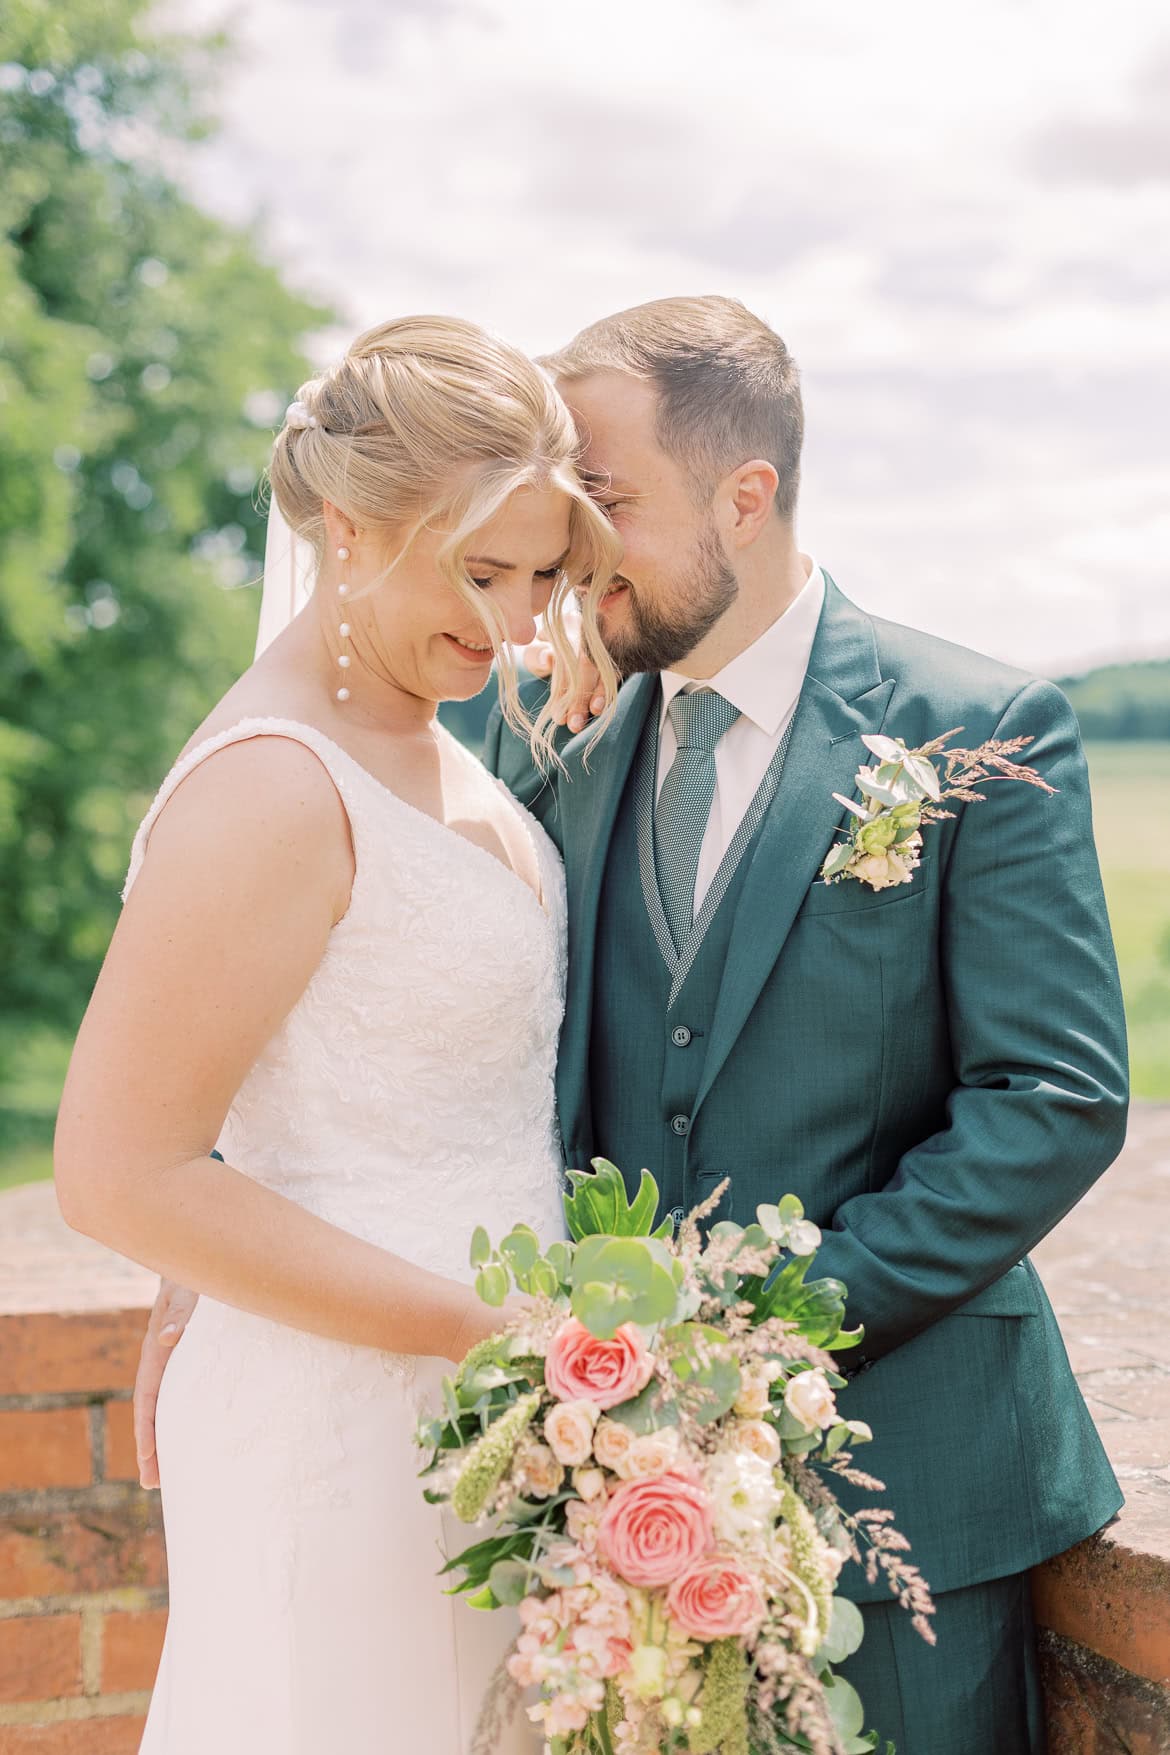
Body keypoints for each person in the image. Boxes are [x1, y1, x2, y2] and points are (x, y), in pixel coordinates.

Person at [133, 295, 1130, 1754]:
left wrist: (756, 1340)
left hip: (908, 1483)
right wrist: (219, 1211)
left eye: (598, 505)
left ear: (745, 495)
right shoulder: (556, 756)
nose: (565, 559)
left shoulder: (973, 726)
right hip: (602, 1502)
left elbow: (1050, 1096)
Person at [54, 314, 621, 1755]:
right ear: (352, 529)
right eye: (477, 568)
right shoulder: (272, 786)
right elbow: (118, 1173)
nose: (509, 621)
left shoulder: (432, 744)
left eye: (542, 576)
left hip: (488, 1411)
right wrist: (497, 1336)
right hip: (350, 1415)